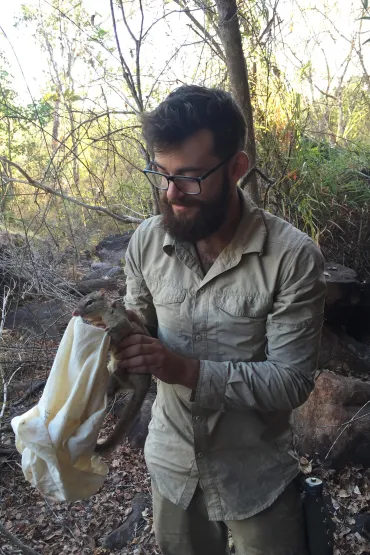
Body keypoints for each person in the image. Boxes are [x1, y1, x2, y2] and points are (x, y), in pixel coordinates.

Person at [116, 85, 326, 555]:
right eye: (162, 174)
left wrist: (184, 370)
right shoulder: (146, 244)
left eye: (190, 178)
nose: (172, 195)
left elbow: (292, 381)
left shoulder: (291, 257)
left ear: (236, 167)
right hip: (171, 467)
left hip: (256, 472)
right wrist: (110, 340)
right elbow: (140, 334)